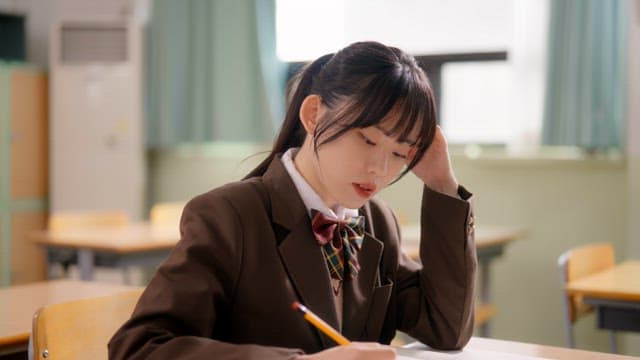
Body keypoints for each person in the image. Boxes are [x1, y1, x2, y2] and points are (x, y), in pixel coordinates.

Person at [109, 41, 476, 360]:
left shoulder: (376, 220)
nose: (380, 169)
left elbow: (446, 328)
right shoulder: (230, 216)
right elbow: (138, 348)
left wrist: (442, 183)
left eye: (400, 154)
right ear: (314, 114)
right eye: (367, 140)